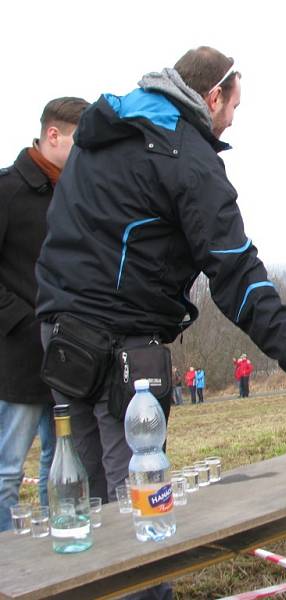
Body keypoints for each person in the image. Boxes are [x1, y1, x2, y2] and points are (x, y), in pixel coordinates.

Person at [35, 46, 286, 511]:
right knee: (138, 496)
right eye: (235, 106)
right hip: (121, 347)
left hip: (59, 332)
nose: (233, 120)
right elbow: (235, 270)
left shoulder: (101, 135)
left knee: (84, 495)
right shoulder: (188, 157)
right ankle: (146, 583)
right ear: (214, 95)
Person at [0, 96, 88, 531]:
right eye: (80, 141)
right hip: (16, 359)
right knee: (7, 472)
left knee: (64, 466)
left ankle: (63, 555)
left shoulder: (78, 196)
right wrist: (24, 320)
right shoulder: (6, 190)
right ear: (53, 135)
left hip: (68, 356)